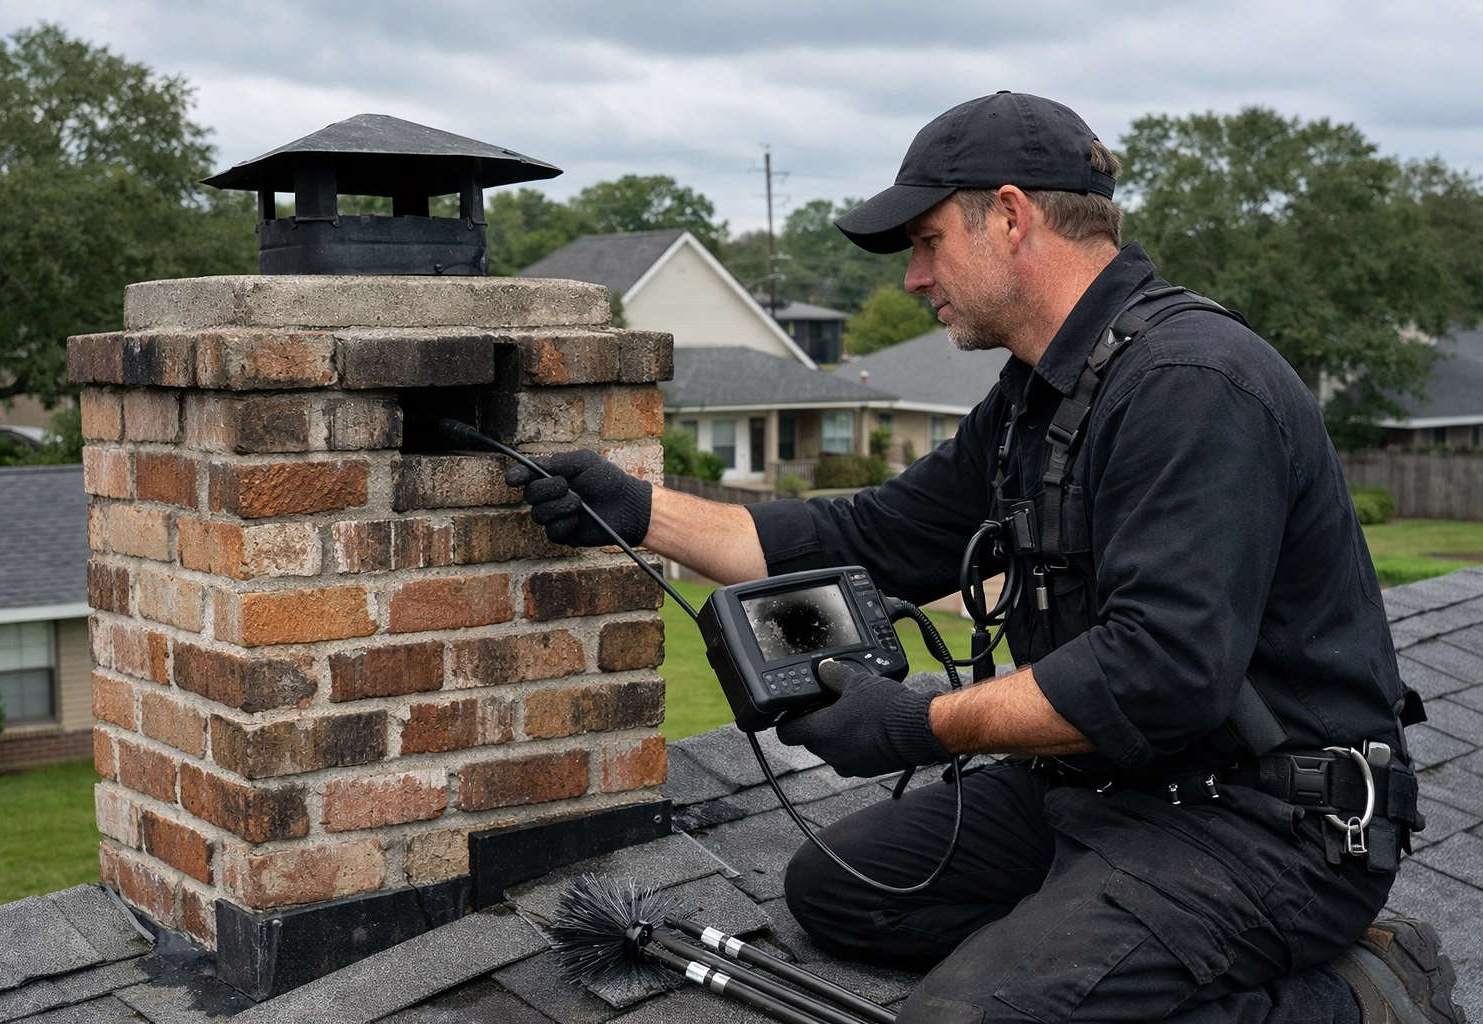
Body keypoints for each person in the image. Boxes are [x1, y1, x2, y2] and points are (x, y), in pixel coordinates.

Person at [508, 92, 1463, 1024]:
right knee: (840, 892)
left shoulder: (1194, 386)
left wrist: (917, 722)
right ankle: (1095, 942)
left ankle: (1358, 997)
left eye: (926, 243)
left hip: (1261, 827)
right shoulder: (1041, 398)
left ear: (1008, 216)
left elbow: (1162, 673)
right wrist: (638, 511)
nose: (914, 279)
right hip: (1100, 790)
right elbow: (874, 539)